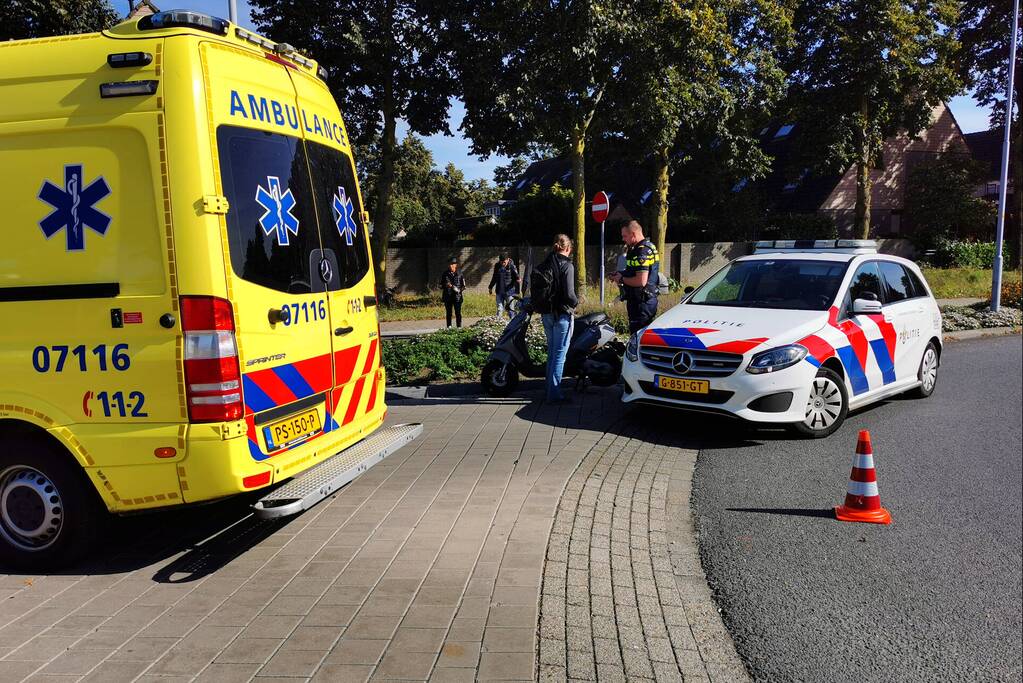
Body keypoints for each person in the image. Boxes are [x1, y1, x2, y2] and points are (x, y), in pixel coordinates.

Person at [538, 234, 577, 404]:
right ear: (568, 248)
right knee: (560, 355)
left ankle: (548, 389)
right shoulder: (567, 265)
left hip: (547, 314)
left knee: (552, 353)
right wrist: (576, 302)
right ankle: (554, 394)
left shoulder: (546, 262)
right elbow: (569, 294)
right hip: (562, 315)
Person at [609, 219, 660, 333]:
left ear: (633, 234)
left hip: (642, 303)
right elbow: (634, 271)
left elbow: (641, 281)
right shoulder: (644, 247)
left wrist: (621, 279)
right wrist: (621, 273)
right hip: (642, 300)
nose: (623, 239)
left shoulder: (642, 252)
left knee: (638, 337)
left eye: (625, 236)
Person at [488, 254, 520, 318]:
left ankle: (512, 322)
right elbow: (494, 277)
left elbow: (517, 277)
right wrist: (490, 287)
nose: (503, 264)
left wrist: (518, 279)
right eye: (501, 262)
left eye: (504, 262)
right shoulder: (497, 266)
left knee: (511, 309)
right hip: (499, 291)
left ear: (508, 259)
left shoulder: (512, 266)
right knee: (499, 309)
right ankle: (498, 322)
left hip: (509, 292)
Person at [440, 257, 466, 328]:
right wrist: (445, 285)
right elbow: (441, 285)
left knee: (458, 313)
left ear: (456, 265)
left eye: (452, 264)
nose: (451, 265)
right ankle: (449, 327)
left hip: (457, 297)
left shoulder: (460, 274)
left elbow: (464, 286)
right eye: (450, 264)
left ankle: (459, 327)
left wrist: (458, 290)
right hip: (447, 296)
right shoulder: (445, 274)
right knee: (449, 313)